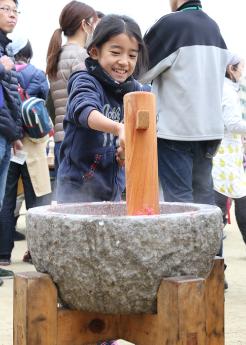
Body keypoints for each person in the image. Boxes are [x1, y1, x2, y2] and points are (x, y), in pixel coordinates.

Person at [140, 0, 230, 205]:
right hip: (210, 132)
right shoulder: (214, 27)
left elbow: (139, 72)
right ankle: (212, 238)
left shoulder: (171, 24)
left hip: (176, 131)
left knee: (180, 206)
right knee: (204, 202)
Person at [56, 14, 148, 203]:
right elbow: (84, 111)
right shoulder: (84, 79)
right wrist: (119, 128)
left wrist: (125, 153)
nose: (124, 61)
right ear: (95, 52)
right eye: (115, 53)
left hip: (113, 188)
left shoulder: (134, 90)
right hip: (77, 187)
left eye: (132, 55)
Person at [0, 37, 51, 266]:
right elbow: (44, 105)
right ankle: (35, 252)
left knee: (7, 200)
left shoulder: (6, 73)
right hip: (32, 143)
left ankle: (3, 254)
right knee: (36, 200)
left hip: (11, 142)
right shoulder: (38, 74)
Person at [46, 1, 98, 184]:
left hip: (61, 137)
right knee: (82, 200)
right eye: (94, 22)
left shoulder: (56, 54)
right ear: (85, 24)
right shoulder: (82, 56)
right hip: (78, 139)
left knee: (66, 199)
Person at [0, 0, 23, 282]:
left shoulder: (7, 48)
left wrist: (15, 134)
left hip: (5, 134)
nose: (12, 15)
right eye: (5, 8)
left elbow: (10, 98)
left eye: (15, 10)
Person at [212, 54, 246, 246]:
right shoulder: (227, 90)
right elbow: (233, 123)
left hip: (228, 157)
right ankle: (214, 252)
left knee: (237, 200)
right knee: (223, 206)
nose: (242, 71)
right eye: (241, 67)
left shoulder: (224, 88)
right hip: (224, 156)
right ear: (231, 69)